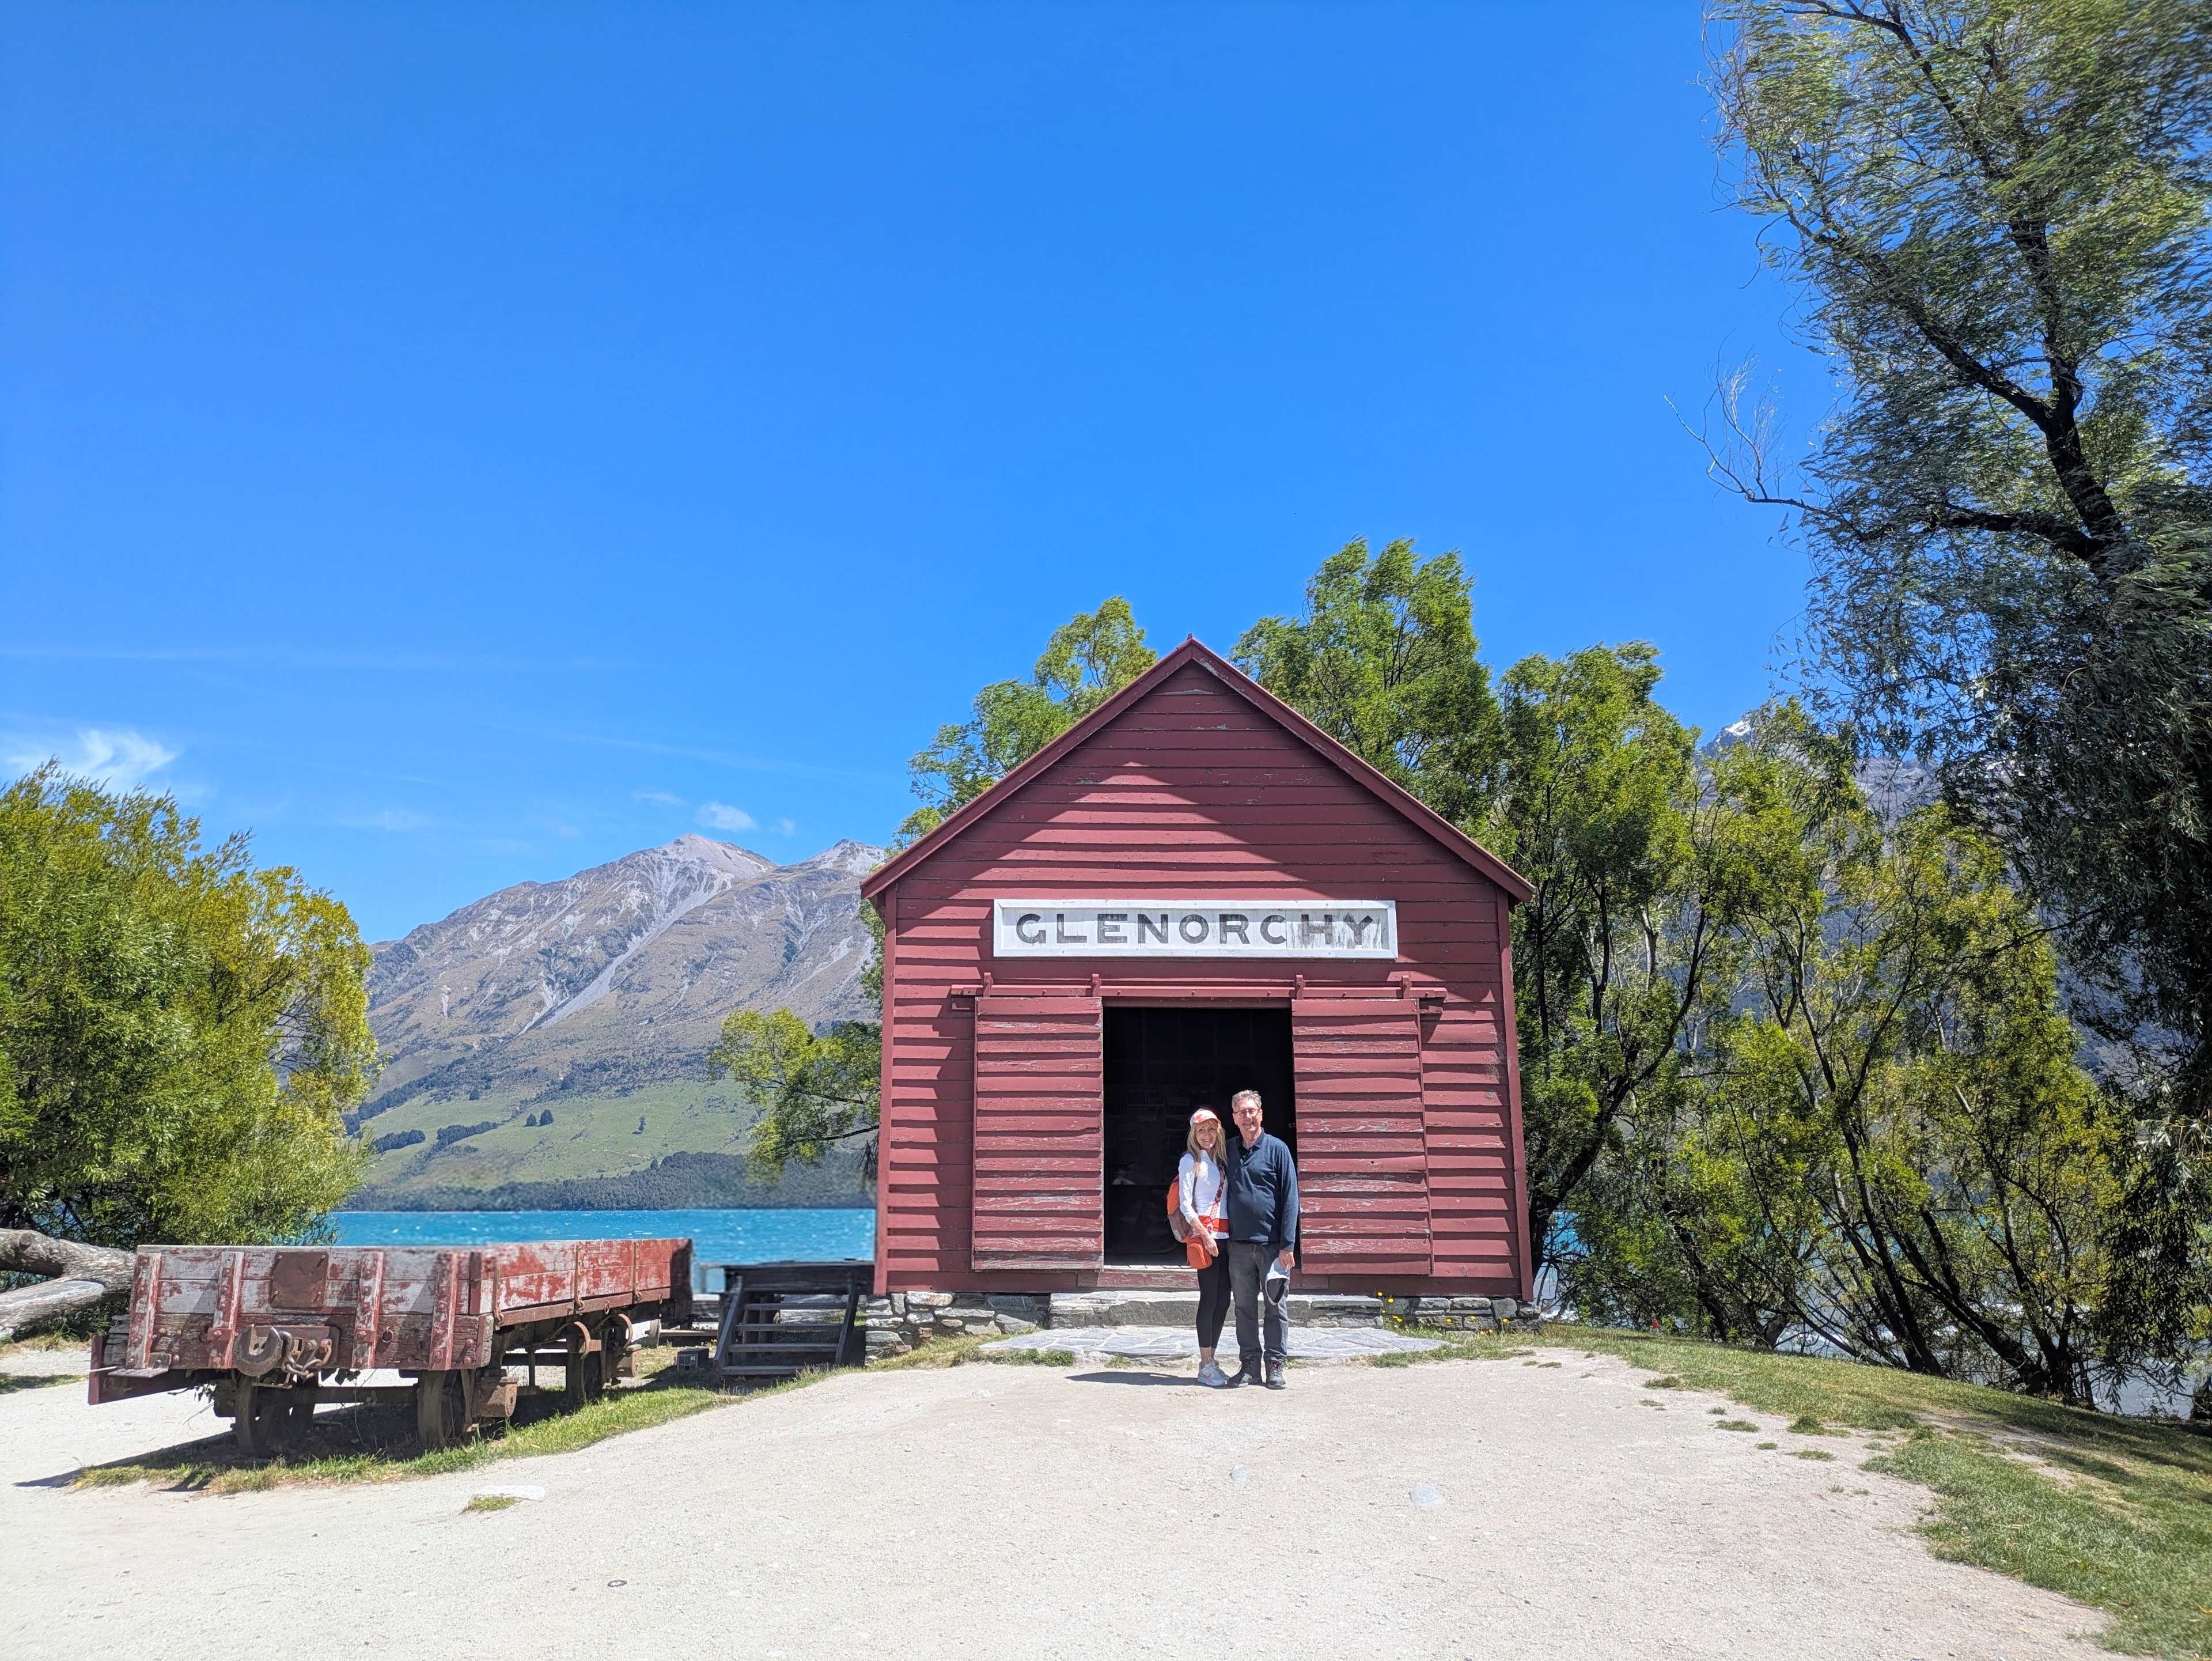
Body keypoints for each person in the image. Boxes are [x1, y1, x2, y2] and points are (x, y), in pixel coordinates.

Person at [1223, 1087, 1298, 1390]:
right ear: (1234, 1118)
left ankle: (1276, 1365)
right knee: (1243, 1308)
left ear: (1261, 1114)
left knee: (1275, 1308)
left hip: (1272, 1249)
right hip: (1239, 1247)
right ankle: (1250, 1367)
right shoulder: (1227, 1150)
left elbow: (1291, 1199)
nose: (1247, 1117)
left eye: (1252, 1111)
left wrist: (1288, 1245)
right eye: (1242, 1113)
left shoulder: (1278, 1149)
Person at [1175, 1108, 1234, 1388]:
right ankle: (1204, 1363)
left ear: (1218, 1131)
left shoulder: (1220, 1161)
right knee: (1209, 1298)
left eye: (1211, 1130)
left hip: (1226, 1236)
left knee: (1224, 1299)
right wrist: (1205, 1235)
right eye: (1201, 1131)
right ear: (1193, 1134)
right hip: (1207, 1236)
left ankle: (1212, 1359)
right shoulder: (1190, 1161)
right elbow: (1186, 1205)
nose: (1206, 1135)